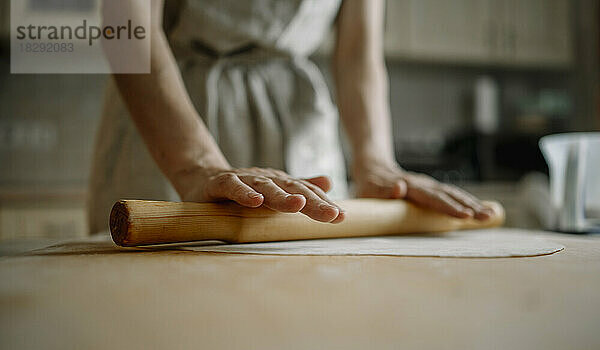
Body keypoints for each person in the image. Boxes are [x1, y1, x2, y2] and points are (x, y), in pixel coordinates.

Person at [88, 0, 495, 234]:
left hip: (298, 121)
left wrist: (375, 161)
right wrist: (196, 166)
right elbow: (125, 23)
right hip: (169, 123)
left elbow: (357, 50)